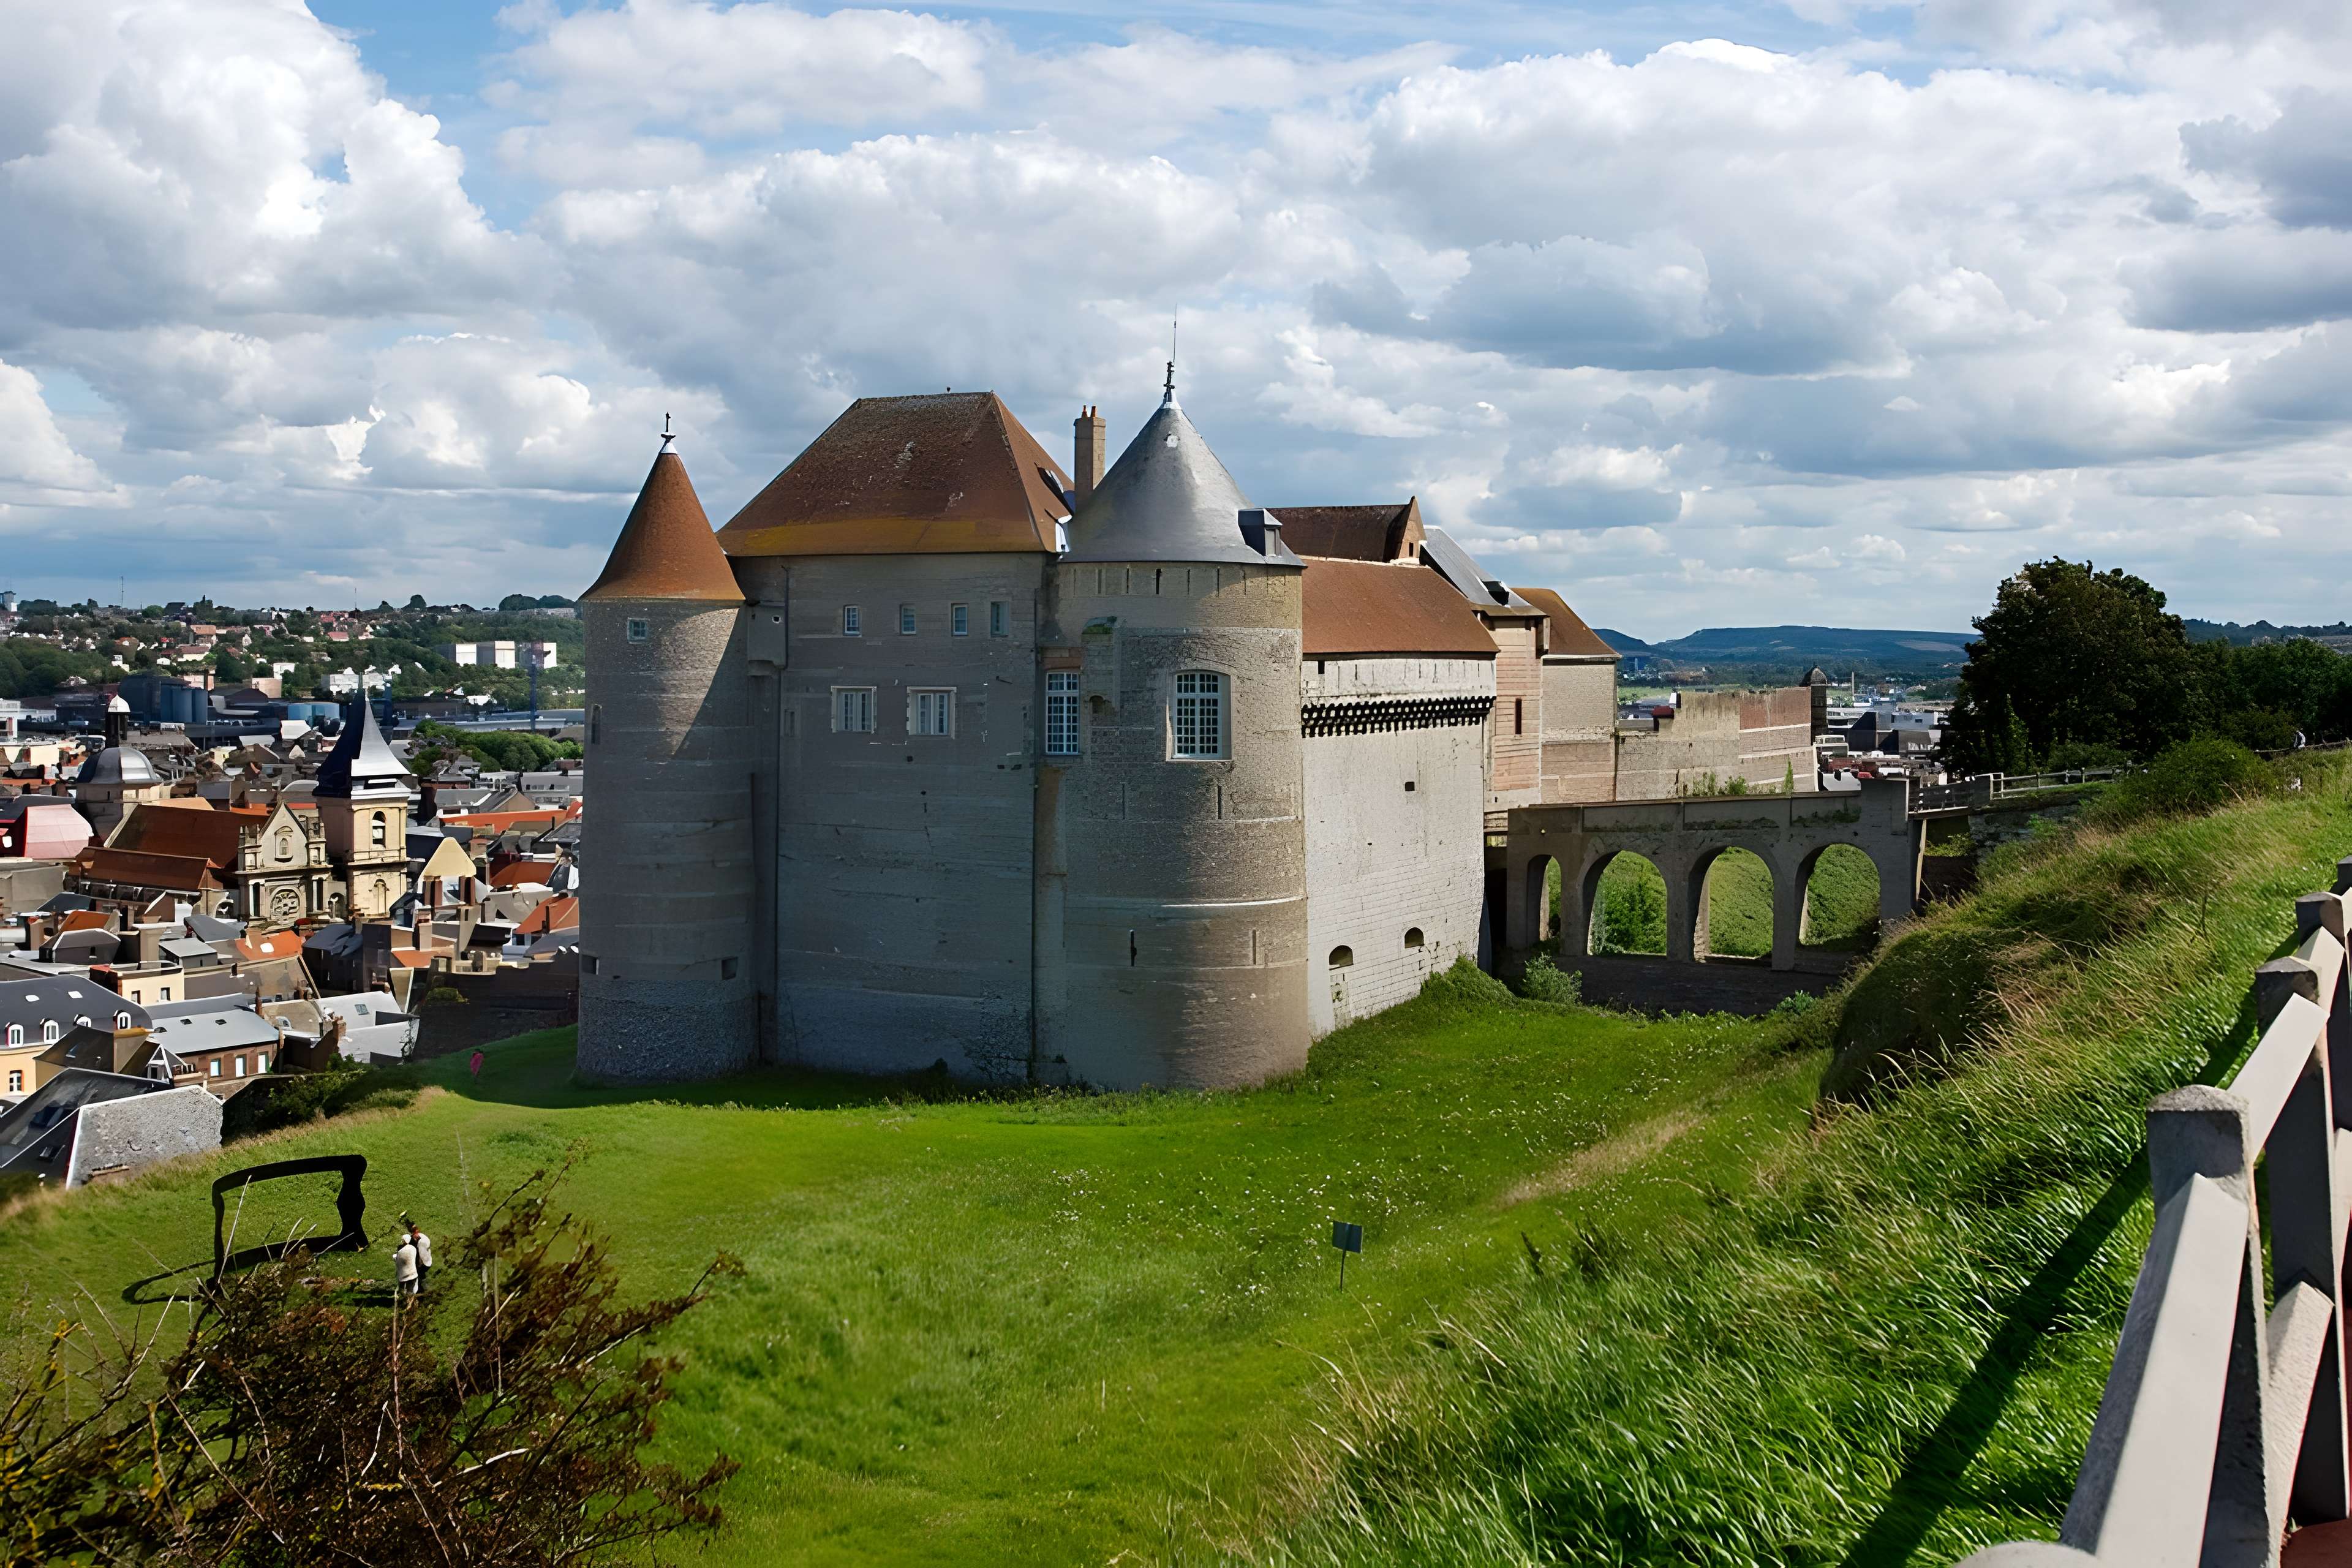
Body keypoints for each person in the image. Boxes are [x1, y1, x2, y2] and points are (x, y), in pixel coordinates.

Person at [392, 1232, 419, 1306]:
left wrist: (395, 1258)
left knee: (401, 1289)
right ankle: (411, 1302)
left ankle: (406, 1302)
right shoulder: (413, 1249)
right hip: (413, 1274)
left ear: (403, 1241)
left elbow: (398, 1264)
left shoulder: (400, 1252)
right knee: (410, 1290)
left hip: (403, 1277)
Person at [409, 1221, 433, 1293]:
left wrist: (418, 1265)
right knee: (421, 1276)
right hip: (428, 1261)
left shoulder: (421, 1243)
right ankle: (424, 1287)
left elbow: (421, 1258)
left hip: (424, 1264)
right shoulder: (423, 1237)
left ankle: (422, 1289)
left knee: (419, 1277)